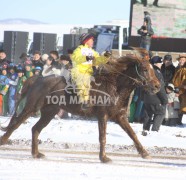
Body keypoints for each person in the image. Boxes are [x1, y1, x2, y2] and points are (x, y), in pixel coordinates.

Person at [71, 33, 111, 109]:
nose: (93, 41)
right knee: (83, 81)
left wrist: (105, 57)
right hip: (80, 71)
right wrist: (86, 58)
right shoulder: (78, 50)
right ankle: (84, 101)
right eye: (91, 40)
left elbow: (97, 61)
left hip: (91, 72)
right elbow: (76, 58)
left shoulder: (92, 51)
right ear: (86, 41)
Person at [142, 56, 168, 135]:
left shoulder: (148, 71)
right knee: (160, 113)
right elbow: (159, 87)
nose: (161, 64)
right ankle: (154, 132)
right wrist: (165, 99)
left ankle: (145, 130)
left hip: (147, 97)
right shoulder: (157, 72)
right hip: (156, 98)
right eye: (160, 62)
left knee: (148, 114)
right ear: (156, 63)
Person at [172, 54, 186, 125]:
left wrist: (180, 92)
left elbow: (184, 84)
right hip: (175, 90)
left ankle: (178, 121)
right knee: (176, 106)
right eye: (180, 60)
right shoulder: (178, 68)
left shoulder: (184, 70)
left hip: (181, 92)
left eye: (183, 60)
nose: (181, 61)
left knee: (181, 107)